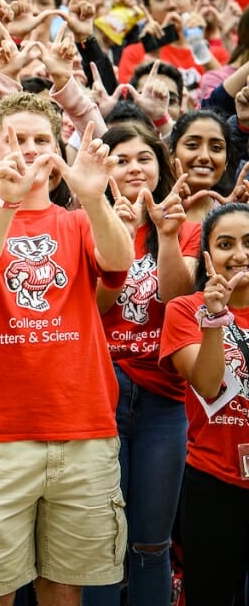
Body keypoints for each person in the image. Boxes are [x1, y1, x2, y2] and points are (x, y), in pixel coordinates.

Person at [0, 93, 134, 606]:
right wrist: (4, 204)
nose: (29, 152)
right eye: (16, 141)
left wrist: (93, 198)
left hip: (84, 428)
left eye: (41, 141)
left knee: (63, 586)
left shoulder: (77, 221)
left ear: (59, 149)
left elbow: (119, 265)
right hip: (0, 434)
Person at [84, 122, 199, 606]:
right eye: (121, 159)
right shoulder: (85, 223)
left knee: (151, 545)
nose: (133, 168)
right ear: (105, 168)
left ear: (164, 166)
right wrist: (123, 235)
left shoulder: (190, 228)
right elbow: (95, 304)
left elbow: (178, 299)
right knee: (101, 545)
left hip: (163, 402)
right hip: (102, 394)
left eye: (143, 158)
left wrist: (165, 237)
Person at [160, 202, 249, 605]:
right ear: (207, 254)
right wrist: (214, 318)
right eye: (226, 244)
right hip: (213, 481)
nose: (240, 255)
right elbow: (208, 385)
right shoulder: (184, 311)